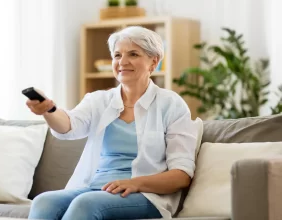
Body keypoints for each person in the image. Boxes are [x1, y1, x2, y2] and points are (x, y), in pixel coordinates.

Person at [26, 26, 200, 220]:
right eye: (117, 55)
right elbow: (68, 126)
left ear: (154, 62)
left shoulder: (171, 104)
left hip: (145, 195)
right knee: (44, 201)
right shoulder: (98, 100)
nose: (122, 62)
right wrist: (48, 111)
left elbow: (181, 175)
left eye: (133, 54)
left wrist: (136, 183)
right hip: (95, 188)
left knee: (87, 204)